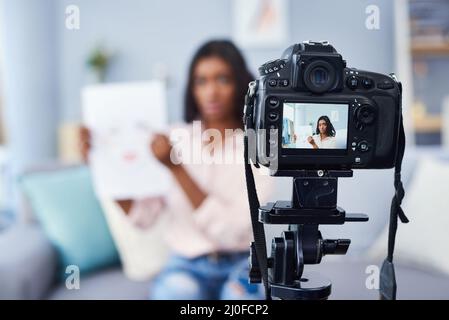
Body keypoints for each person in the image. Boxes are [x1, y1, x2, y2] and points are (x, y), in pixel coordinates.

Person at [80, 40, 272, 300]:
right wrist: (103, 163)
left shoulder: (258, 148)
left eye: (223, 79)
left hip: (242, 265)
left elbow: (236, 230)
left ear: (240, 83)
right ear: (192, 88)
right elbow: (143, 216)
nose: (211, 92)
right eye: (201, 81)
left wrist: (177, 169)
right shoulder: (174, 138)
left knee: (239, 299)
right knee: (177, 294)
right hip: (185, 264)